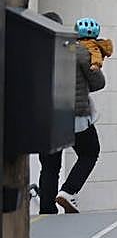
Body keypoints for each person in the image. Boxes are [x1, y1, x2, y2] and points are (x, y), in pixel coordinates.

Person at [37, 12, 104, 214]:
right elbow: (98, 82)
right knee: (90, 153)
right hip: (75, 114)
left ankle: (47, 209)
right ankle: (68, 191)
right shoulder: (76, 49)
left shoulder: (32, 51)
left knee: (49, 166)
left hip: (45, 116)